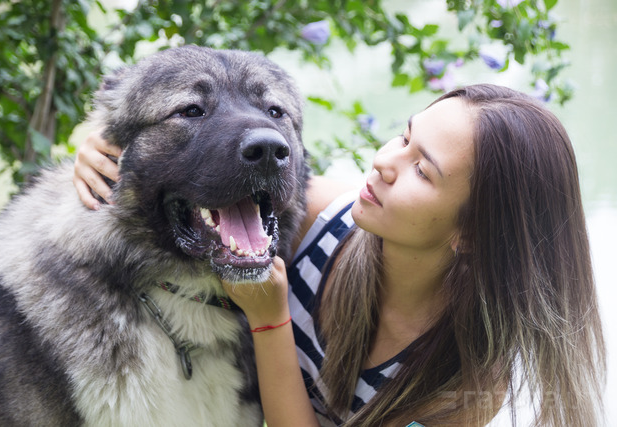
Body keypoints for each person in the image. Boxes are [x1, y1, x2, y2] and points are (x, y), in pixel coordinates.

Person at [74, 84, 606, 426]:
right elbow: (207, 138)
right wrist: (103, 146)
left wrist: (269, 319)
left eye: (423, 170)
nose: (383, 163)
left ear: (468, 232)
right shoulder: (317, 212)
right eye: (404, 136)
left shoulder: (465, 381)